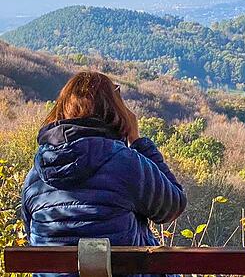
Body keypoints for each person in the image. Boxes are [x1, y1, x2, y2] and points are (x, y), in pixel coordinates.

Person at [21, 71, 187, 256]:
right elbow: (173, 206)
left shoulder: (35, 177)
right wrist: (137, 141)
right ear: (112, 110)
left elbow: (32, 235)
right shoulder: (127, 164)